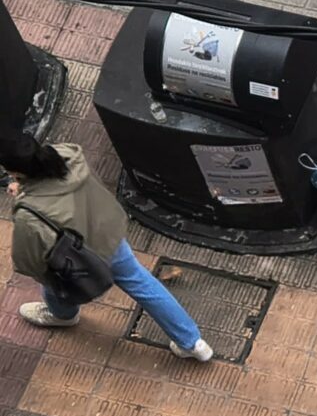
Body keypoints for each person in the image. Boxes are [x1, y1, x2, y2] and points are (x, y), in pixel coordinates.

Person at [1, 134, 213, 362]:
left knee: (53, 285)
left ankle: (62, 315)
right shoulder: (68, 155)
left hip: (77, 256)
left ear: (16, 173)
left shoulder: (29, 213)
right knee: (142, 282)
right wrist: (24, 187)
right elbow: (53, 185)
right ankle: (193, 343)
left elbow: (29, 261)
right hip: (107, 232)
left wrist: (22, 196)